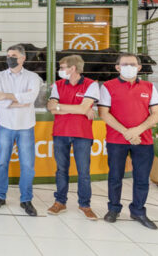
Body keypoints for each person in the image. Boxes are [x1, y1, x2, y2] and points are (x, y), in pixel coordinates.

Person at [98, 52, 158, 229]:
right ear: (117, 67)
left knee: (141, 178)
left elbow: (157, 113)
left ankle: (138, 211)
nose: (129, 67)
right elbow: (104, 113)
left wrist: (137, 131)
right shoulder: (108, 86)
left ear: (140, 68)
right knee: (115, 177)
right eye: (125, 64)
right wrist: (126, 132)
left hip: (143, 140)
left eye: (133, 64)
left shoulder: (149, 87)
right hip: (116, 139)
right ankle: (113, 209)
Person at [0, 44, 43, 216]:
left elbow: (30, 98)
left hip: (25, 127)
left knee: (27, 166)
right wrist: (17, 101)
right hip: (5, 125)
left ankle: (26, 199)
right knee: (1, 163)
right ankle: (0, 196)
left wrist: (7, 97)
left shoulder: (33, 77)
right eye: (8, 55)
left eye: (13, 55)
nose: (10, 58)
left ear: (23, 58)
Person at [46, 55, 100, 220]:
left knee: (84, 172)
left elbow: (84, 108)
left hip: (82, 134)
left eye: (62, 68)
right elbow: (52, 108)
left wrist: (62, 106)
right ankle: (60, 202)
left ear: (73, 68)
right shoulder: (58, 85)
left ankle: (85, 204)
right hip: (60, 133)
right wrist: (79, 109)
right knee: (61, 170)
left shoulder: (91, 85)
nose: (60, 71)